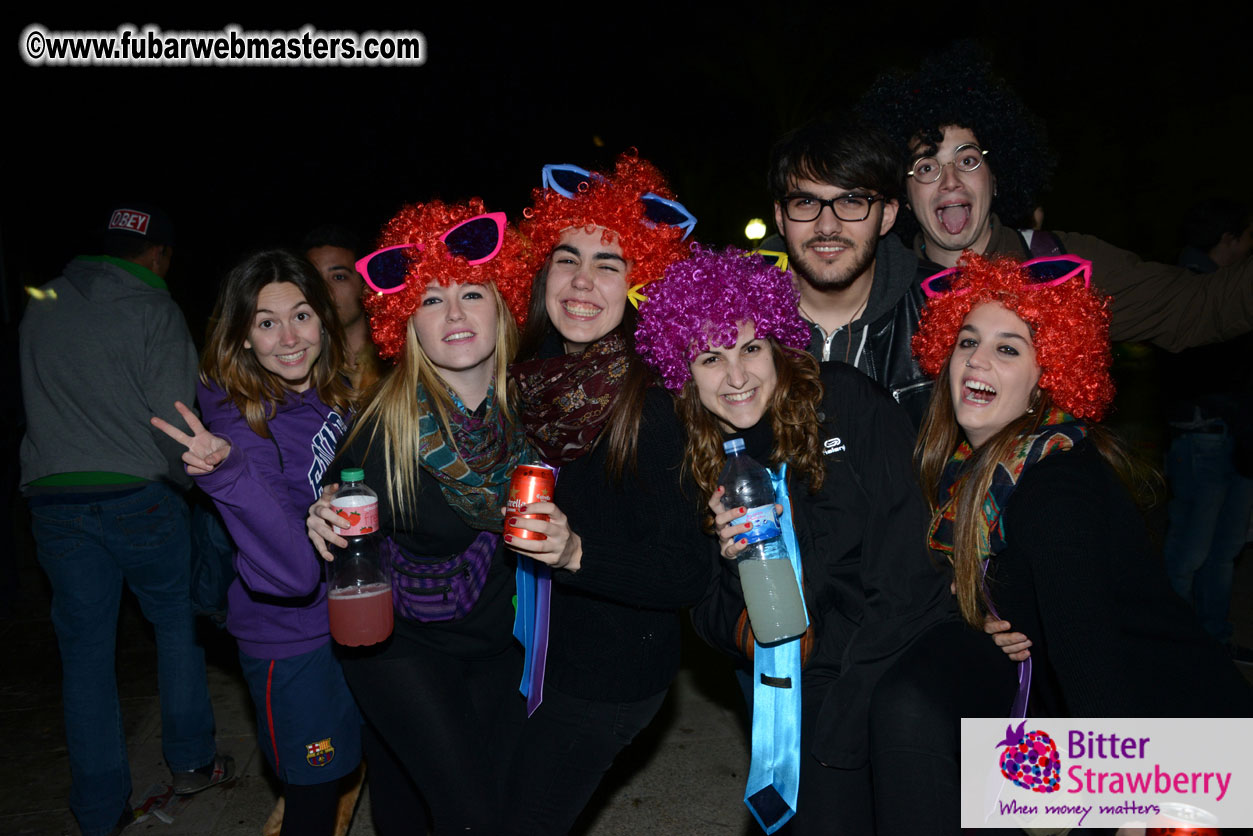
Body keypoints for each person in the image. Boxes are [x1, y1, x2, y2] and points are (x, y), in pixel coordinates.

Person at [636, 246, 956, 835]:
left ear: (779, 344)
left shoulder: (845, 400)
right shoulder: (689, 462)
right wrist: (735, 563)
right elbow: (711, 625)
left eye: (751, 348)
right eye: (710, 358)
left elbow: (908, 570)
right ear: (683, 372)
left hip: (896, 656)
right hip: (797, 678)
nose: (737, 377)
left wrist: (849, 704)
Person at [306, 199, 533, 834]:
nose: (454, 314)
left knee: (414, 808)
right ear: (408, 325)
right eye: (431, 300)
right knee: (474, 816)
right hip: (399, 648)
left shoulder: (531, 420)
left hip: (494, 644)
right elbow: (333, 512)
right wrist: (320, 519)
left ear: (503, 304)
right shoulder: (379, 432)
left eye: (471, 293)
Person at [501, 153, 711, 835]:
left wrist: (574, 553)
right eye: (567, 258)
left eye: (610, 263)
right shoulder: (532, 378)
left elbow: (686, 572)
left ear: (641, 283)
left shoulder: (652, 403)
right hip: (534, 657)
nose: (582, 281)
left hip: (607, 676)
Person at [20, 202, 230, 836]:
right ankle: (192, 762)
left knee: (84, 655)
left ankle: (97, 809)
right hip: (139, 498)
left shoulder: (43, 300)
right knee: (175, 626)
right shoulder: (154, 309)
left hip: (53, 501)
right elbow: (172, 424)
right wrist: (203, 489)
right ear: (160, 255)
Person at [153, 250, 360, 836]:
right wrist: (226, 474)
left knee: (354, 770)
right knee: (314, 800)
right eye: (266, 323)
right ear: (242, 336)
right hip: (290, 643)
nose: (289, 337)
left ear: (324, 319)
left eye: (301, 316)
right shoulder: (242, 423)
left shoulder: (328, 394)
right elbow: (293, 573)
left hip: (348, 621)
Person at [857, 44, 1253, 351]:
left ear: (997, 179)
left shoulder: (1063, 268)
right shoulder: (877, 287)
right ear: (905, 196)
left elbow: (1202, 305)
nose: (950, 180)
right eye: (926, 167)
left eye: (968, 159)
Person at [1161, 199, 1253, 658]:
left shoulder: (1224, 292)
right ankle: (1174, 650)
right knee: (1190, 551)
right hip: (1203, 437)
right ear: (1228, 240)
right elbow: (1198, 371)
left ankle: (1213, 641)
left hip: (1236, 436)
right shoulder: (1190, 290)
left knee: (1225, 549)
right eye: (1246, 237)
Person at [302, 224, 381, 392]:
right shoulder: (299, 368)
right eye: (314, 279)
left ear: (364, 286)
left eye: (338, 277)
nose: (324, 289)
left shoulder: (397, 361)